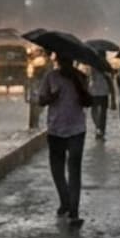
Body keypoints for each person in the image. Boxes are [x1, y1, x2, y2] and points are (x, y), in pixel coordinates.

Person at [36, 54, 93, 226]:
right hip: (55, 129)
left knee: (74, 170)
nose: (66, 63)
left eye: (69, 61)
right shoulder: (50, 77)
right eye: (63, 61)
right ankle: (64, 199)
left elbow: (88, 101)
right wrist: (51, 97)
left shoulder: (81, 77)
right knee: (57, 169)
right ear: (59, 61)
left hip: (76, 130)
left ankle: (74, 211)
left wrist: (77, 83)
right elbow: (40, 100)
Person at [87, 63, 114, 140]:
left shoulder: (104, 67)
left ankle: (99, 129)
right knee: (99, 112)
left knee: (99, 112)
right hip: (96, 92)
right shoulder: (95, 66)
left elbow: (110, 79)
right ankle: (99, 128)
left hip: (99, 92)